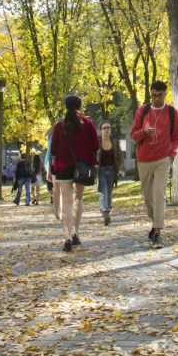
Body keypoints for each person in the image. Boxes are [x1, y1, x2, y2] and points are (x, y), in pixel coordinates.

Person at [131, 80, 178, 249]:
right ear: (150, 94)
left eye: (159, 95)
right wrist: (144, 132)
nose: (156, 98)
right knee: (147, 196)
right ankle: (154, 222)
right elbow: (133, 135)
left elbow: (176, 138)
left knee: (159, 194)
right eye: (153, 95)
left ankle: (158, 232)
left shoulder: (172, 113)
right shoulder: (142, 111)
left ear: (165, 94)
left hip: (162, 160)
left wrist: (171, 154)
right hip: (144, 160)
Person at [49, 94, 100, 252]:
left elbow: (54, 149)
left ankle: (67, 237)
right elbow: (96, 145)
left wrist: (52, 169)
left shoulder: (59, 126)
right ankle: (76, 233)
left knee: (67, 201)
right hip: (82, 167)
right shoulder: (88, 124)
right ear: (80, 106)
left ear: (66, 107)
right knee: (78, 198)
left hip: (63, 166)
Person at [96, 121, 123, 225]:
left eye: (108, 127)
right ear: (101, 130)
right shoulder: (97, 142)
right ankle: (105, 214)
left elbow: (120, 157)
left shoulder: (114, 142)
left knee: (109, 193)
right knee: (103, 192)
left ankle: (106, 211)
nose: (106, 130)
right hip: (101, 170)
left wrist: (121, 169)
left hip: (112, 170)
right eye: (104, 128)